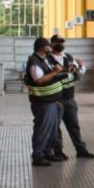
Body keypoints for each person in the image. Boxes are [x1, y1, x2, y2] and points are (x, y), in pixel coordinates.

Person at [48, 35, 94, 159]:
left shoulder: (69, 57)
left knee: (74, 126)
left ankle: (81, 150)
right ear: (51, 43)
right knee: (55, 128)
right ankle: (58, 152)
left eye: (62, 41)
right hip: (55, 100)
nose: (60, 43)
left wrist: (82, 67)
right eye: (57, 41)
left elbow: (77, 75)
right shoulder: (47, 60)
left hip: (70, 98)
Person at [25, 37, 67, 167]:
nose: (51, 48)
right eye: (49, 46)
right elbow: (39, 80)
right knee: (43, 129)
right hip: (42, 102)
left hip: (51, 101)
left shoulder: (45, 60)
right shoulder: (34, 61)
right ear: (43, 47)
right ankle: (38, 155)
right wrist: (55, 72)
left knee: (52, 128)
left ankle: (48, 152)